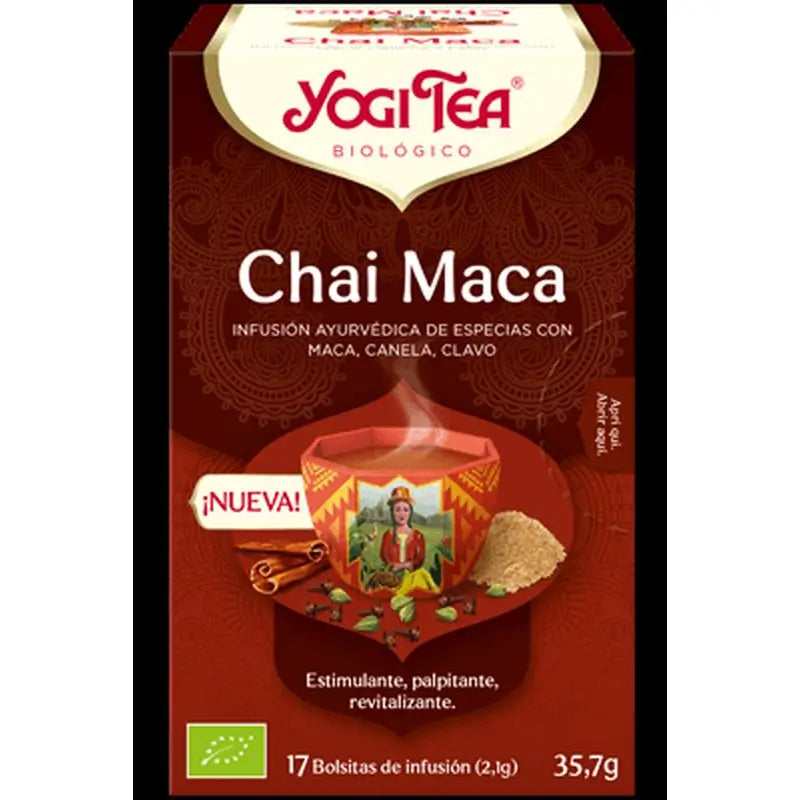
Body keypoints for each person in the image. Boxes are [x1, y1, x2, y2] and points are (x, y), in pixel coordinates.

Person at [380, 486, 426, 572]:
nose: (402, 514)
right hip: (392, 575)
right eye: (398, 510)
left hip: (413, 575)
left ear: (410, 512)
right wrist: (393, 567)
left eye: (405, 510)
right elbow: (384, 556)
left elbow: (420, 558)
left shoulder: (418, 536)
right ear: (392, 512)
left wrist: (406, 565)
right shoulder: (387, 536)